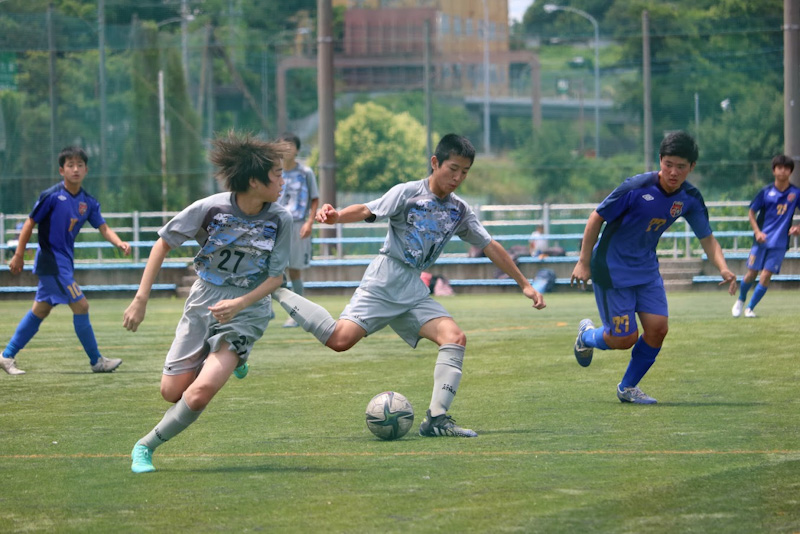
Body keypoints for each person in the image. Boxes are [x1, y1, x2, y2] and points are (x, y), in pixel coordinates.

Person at [271, 134, 546, 437]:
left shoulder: (459, 210)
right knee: (339, 340)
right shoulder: (408, 193)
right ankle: (278, 289)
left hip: (413, 289)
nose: (458, 178)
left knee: (454, 338)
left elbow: (489, 245)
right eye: (453, 169)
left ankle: (436, 419)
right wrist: (336, 217)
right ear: (435, 163)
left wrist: (525, 284)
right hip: (385, 280)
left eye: (465, 172)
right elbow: (367, 209)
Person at [123, 131, 292, 473]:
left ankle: (145, 446)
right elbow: (163, 243)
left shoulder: (280, 219)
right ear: (254, 181)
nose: (282, 181)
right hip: (204, 300)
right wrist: (141, 299)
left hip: (248, 309)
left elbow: (276, 278)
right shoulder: (211, 208)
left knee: (200, 392)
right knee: (172, 392)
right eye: (277, 175)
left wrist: (240, 304)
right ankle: (231, 360)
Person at [570, 131, 737, 404]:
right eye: (668, 164)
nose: (673, 172)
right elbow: (596, 217)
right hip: (612, 268)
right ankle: (586, 337)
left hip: (646, 269)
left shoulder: (690, 197)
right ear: (660, 160)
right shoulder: (636, 187)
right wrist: (583, 262)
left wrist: (723, 268)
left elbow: (706, 237)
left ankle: (627, 387)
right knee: (624, 338)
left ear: (692, 167)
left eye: (681, 166)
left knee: (658, 329)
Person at [0, 146, 131, 376]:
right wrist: (19, 254)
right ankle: (96, 361)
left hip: (63, 263)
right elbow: (30, 223)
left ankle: (7, 356)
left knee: (40, 310)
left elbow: (103, 227)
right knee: (81, 306)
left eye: (80, 165)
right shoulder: (51, 196)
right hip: (52, 262)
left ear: (86, 169)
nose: (75, 169)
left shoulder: (88, 202)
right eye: (70, 165)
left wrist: (119, 242)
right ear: (62, 170)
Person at [731, 154, 800, 318]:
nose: (783, 171)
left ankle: (750, 308)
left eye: (786, 168)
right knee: (751, 273)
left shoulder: (795, 193)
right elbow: (751, 212)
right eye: (779, 167)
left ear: (790, 172)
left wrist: (798, 227)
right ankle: (740, 300)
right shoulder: (766, 192)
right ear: (774, 170)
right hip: (761, 241)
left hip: (780, 243)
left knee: (766, 274)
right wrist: (757, 232)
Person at [276, 132, 319, 328]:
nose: (286, 149)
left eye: (290, 145)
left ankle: (297, 313)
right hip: (276, 225)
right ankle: (265, 309)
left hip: (297, 224)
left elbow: (314, 198)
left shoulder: (305, 172)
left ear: (297, 150)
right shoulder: (273, 172)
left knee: (294, 270)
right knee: (272, 269)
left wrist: (309, 222)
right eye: (283, 145)